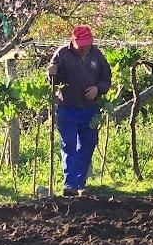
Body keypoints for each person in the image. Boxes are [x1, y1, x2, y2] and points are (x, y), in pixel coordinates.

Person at [47, 25, 112, 197]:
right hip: (66, 107)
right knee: (68, 145)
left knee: (88, 145)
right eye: (81, 44)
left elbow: (106, 79)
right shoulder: (62, 54)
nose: (84, 47)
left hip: (89, 109)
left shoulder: (97, 56)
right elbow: (53, 79)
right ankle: (70, 184)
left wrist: (98, 89)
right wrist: (51, 74)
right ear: (73, 41)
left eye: (87, 44)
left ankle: (80, 182)